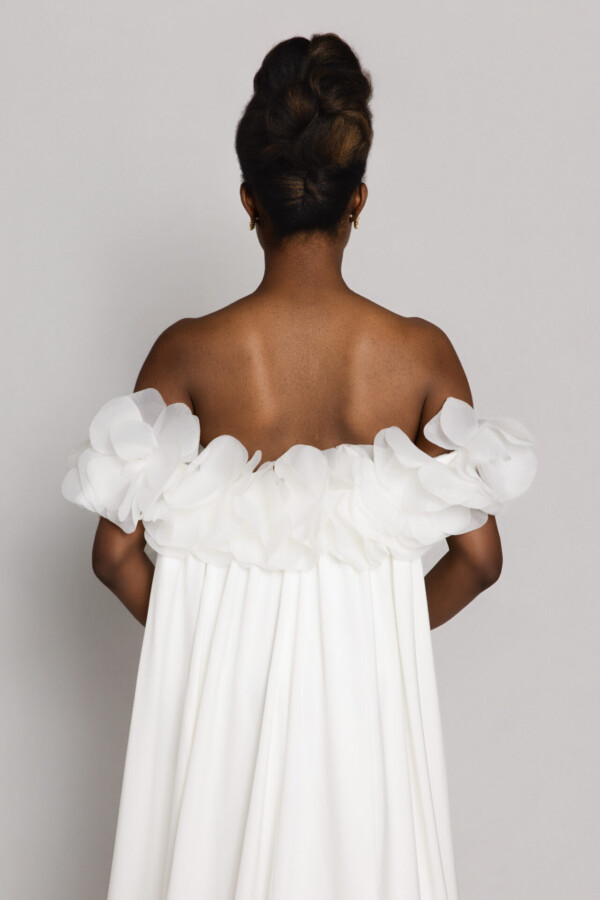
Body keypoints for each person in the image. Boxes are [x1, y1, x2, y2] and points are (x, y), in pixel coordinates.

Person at [61, 32, 537, 900]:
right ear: (359, 200)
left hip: (223, 721)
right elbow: (479, 559)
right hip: (369, 723)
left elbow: (112, 554)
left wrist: (215, 636)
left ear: (250, 201)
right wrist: (364, 628)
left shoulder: (191, 351)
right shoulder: (418, 355)